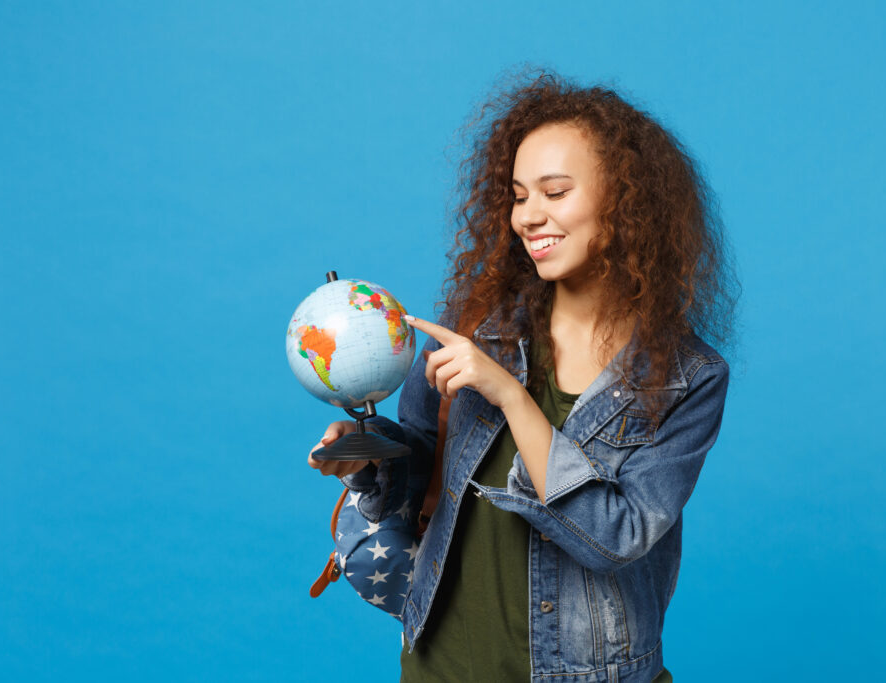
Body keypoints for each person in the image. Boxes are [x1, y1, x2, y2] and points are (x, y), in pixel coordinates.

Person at [309, 69, 738, 682]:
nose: (528, 217)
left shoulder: (688, 377)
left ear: (625, 202)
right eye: (518, 195)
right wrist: (368, 460)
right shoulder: (476, 326)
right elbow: (425, 466)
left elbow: (618, 536)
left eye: (555, 192)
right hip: (440, 667)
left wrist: (512, 396)